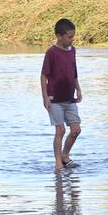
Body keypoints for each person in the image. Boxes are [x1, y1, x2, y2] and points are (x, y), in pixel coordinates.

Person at [41, 18, 82, 170]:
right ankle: (58, 163)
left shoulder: (73, 51)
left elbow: (74, 72)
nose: (72, 39)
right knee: (60, 130)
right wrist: (45, 97)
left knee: (76, 130)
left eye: (73, 36)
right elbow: (43, 76)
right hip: (54, 99)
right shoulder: (51, 52)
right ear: (59, 36)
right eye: (69, 37)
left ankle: (65, 155)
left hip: (69, 98)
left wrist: (78, 89)